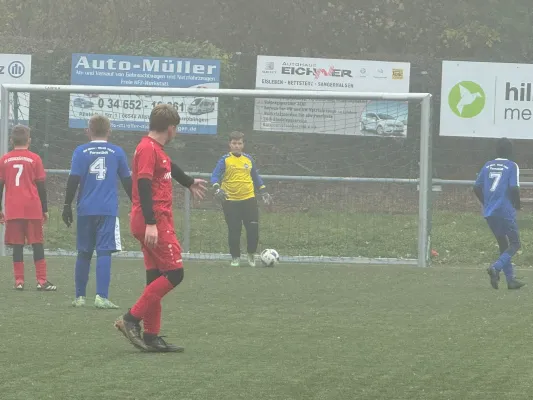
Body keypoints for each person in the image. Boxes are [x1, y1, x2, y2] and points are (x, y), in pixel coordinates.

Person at [114, 104, 207, 352]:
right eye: (176, 128)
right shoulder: (147, 148)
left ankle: (152, 336)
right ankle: (130, 319)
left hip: (152, 220)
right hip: (153, 220)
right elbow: (143, 184)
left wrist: (188, 182)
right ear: (171, 128)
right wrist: (152, 223)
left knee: (155, 277)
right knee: (175, 274)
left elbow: (169, 167)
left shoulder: (155, 149)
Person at [62, 115, 133, 309]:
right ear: (109, 131)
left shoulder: (80, 151)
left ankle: (79, 298)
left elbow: (73, 180)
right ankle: (101, 297)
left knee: (83, 252)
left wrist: (66, 205)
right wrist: (137, 203)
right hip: (107, 209)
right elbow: (127, 181)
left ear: (89, 131)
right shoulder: (117, 152)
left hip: (85, 209)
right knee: (104, 251)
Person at [0, 124, 56, 291]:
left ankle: (19, 281)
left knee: (17, 245)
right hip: (32, 208)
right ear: (29, 140)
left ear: (11, 141)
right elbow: (41, 187)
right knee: (37, 243)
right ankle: (41, 281)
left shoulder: (4, 160)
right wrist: (44, 209)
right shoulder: (35, 159)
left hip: (13, 209)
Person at [210, 131, 272, 267]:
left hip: (249, 199)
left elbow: (256, 178)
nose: (236, 146)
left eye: (239, 143)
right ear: (230, 144)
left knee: (253, 230)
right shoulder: (224, 160)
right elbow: (214, 176)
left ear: (243, 145)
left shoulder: (248, 159)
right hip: (230, 201)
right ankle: (235, 257)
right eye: (234, 143)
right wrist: (217, 188)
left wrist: (263, 191)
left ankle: (251, 255)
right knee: (234, 230)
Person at [474, 137, 525, 290]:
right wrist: (517, 205)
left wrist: (486, 203)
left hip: (490, 212)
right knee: (515, 244)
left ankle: (510, 280)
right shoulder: (511, 166)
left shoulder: (488, 165)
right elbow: (514, 188)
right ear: (510, 151)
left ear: (496, 150)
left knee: (503, 244)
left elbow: (476, 187)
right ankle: (496, 268)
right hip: (505, 210)